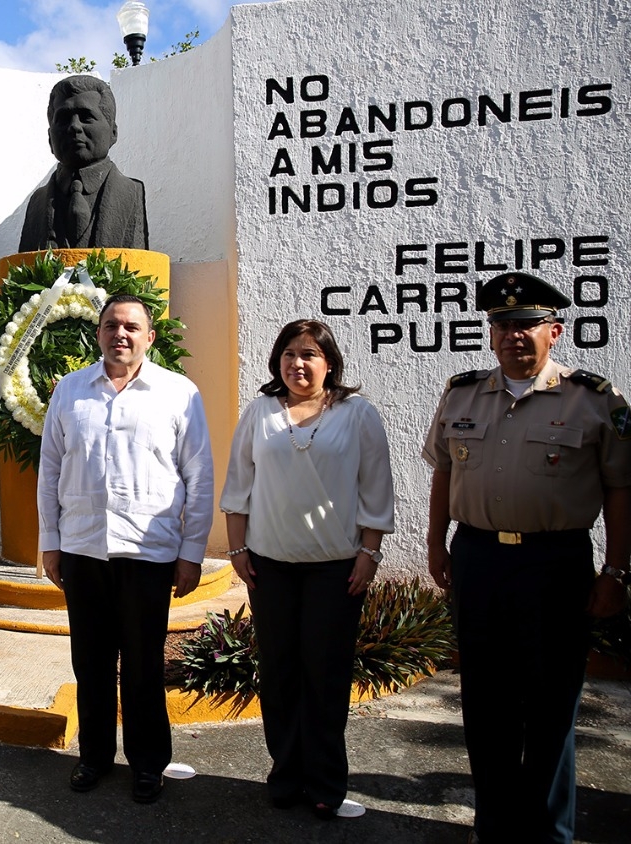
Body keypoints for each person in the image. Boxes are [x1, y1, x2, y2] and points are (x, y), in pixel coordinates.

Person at [424, 272, 630, 843]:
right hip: (480, 560)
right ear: (490, 334)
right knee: (485, 703)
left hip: (555, 564)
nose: (514, 335)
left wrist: (615, 570)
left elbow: (620, 488)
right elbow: (444, 470)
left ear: (555, 332)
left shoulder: (595, 400)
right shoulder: (461, 393)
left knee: (551, 703)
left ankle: (548, 832)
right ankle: (495, 828)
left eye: (527, 325)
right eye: (503, 326)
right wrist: (435, 544)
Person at [38, 293, 212, 804]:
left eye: (132, 327)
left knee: (142, 665)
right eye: (112, 325)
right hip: (84, 550)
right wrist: (51, 542)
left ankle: (148, 764)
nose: (121, 334)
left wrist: (192, 551)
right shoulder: (71, 392)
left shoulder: (179, 394)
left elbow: (198, 477)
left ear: (150, 337)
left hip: (149, 553)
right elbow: (50, 469)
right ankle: (93, 756)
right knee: (90, 663)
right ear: (98, 333)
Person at [220, 319, 395, 820]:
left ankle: (324, 780)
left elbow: (375, 489)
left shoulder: (357, 414)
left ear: (330, 363)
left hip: (334, 570)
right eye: (290, 354)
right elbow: (238, 486)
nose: (299, 363)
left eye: (311, 354)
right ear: (278, 361)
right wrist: (238, 552)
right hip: (269, 568)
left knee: (325, 674)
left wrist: (370, 552)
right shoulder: (260, 412)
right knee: (278, 672)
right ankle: (285, 772)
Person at [18, 75, 149, 252]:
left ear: (113, 132)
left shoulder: (132, 192)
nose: (74, 127)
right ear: (50, 137)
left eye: (86, 117)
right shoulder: (37, 203)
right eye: (63, 119)